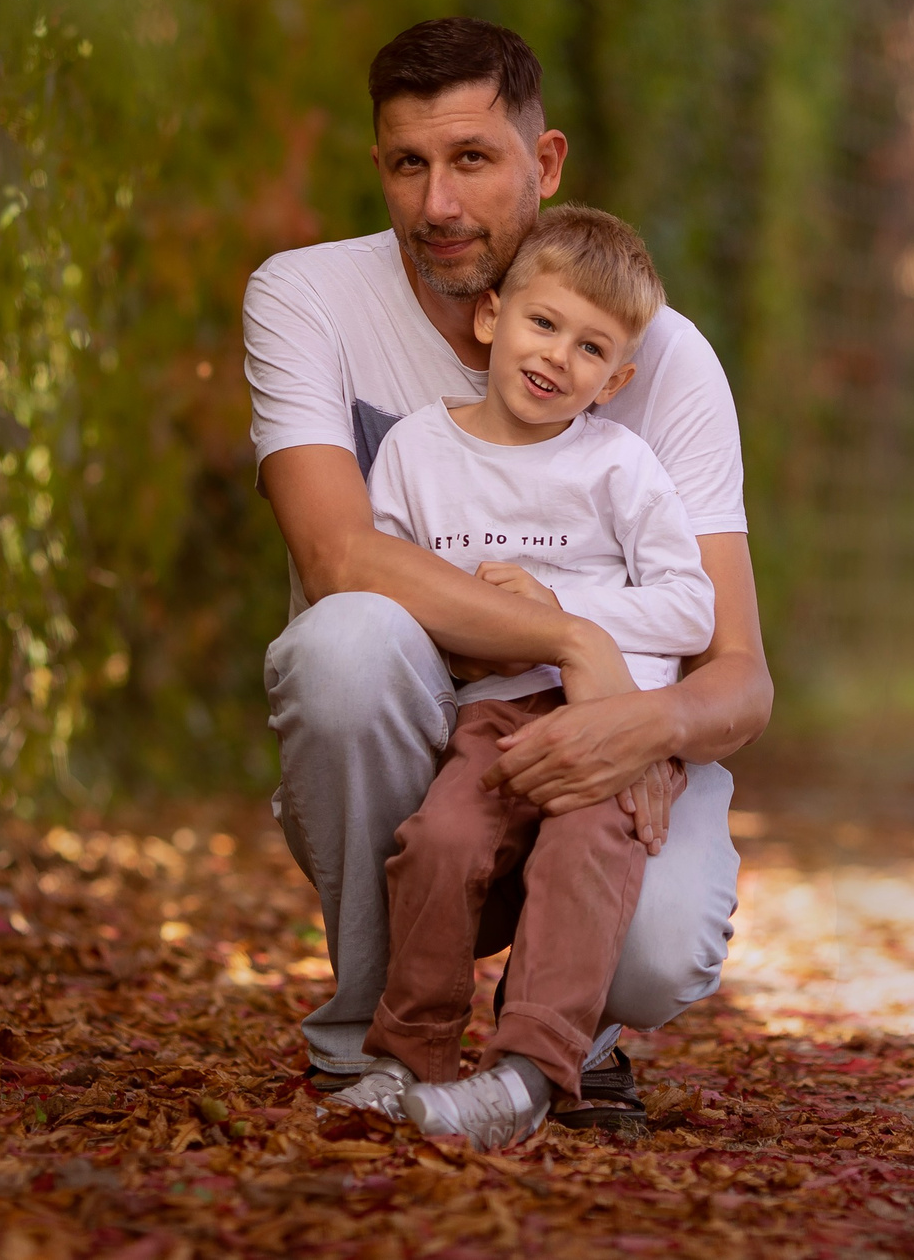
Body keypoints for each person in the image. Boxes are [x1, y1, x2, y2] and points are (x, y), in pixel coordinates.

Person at [243, 16, 773, 1131]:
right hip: (434, 728)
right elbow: (341, 555)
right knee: (347, 642)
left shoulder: (659, 362)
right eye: (407, 163)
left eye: (473, 160)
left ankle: (562, 1049)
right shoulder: (306, 299)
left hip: (601, 726)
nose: (437, 205)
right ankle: (371, 1043)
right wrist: (572, 636)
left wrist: (634, 724)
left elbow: (738, 675)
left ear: (545, 162)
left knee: (659, 953)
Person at [348, 208, 713, 1148]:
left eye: (592, 348)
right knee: (439, 840)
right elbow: (390, 592)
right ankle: (408, 1059)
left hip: (603, 718)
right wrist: (484, 632)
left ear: (617, 379)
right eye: (543, 324)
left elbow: (689, 607)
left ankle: (529, 1072)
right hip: (486, 719)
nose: (558, 356)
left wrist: (558, 610)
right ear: (492, 317)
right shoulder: (418, 453)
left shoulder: (618, 465)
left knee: (583, 850)